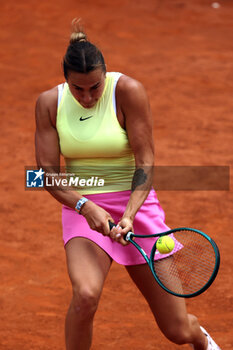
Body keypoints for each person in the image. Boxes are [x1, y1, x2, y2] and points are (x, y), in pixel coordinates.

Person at [35, 19, 221, 350]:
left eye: (95, 87)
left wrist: (129, 214)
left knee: (177, 329)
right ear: (66, 81)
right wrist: (85, 205)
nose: (89, 97)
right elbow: (43, 175)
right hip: (82, 207)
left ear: (105, 75)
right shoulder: (49, 104)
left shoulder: (128, 91)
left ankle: (202, 341)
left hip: (137, 205)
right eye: (78, 90)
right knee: (85, 295)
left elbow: (146, 162)